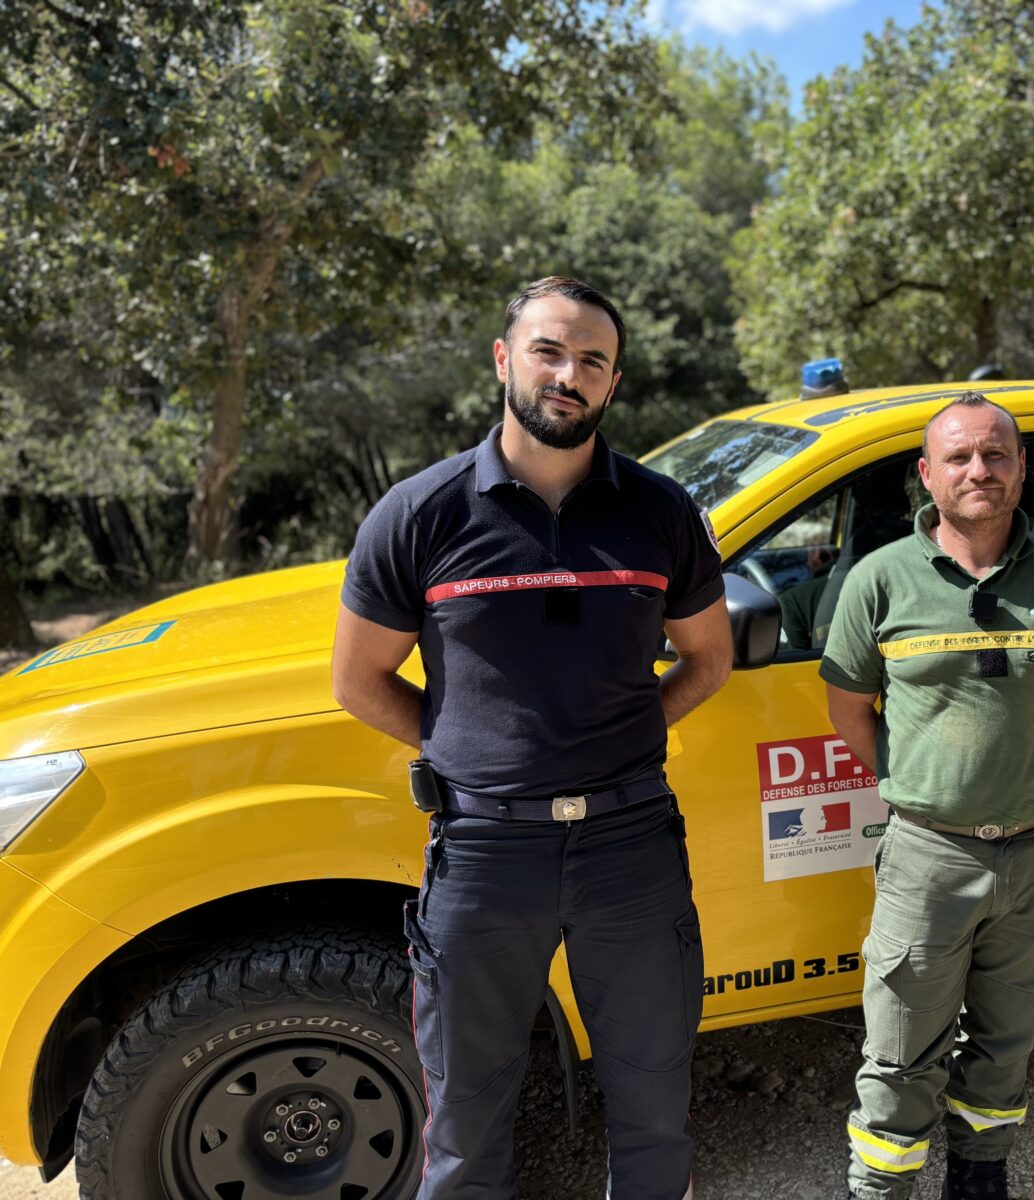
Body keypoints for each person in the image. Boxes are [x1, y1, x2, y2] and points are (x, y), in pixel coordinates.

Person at [331, 276, 732, 1199]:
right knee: (466, 1122)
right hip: (481, 854)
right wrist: (459, 750)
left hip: (631, 848)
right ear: (505, 360)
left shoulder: (661, 512)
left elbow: (707, 660)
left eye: (592, 360)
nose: (569, 373)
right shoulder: (420, 513)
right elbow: (359, 682)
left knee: (654, 1105)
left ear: (613, 384)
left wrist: (632, 726)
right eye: (549, 350)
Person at [820, 392, 1034, 1200]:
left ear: (1022, 469)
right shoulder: (879, 580)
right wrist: (922, 784)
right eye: (958, 457)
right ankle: (882, 1188)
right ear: (927, 475)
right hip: (929, 855)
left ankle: (981, 1179)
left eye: (996, 455)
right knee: (900, 1044)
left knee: (1006, 1038)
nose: (978, 470)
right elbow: (850, 710)